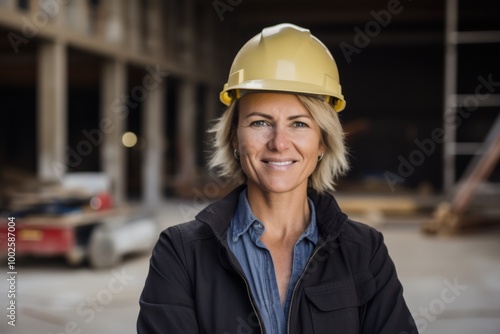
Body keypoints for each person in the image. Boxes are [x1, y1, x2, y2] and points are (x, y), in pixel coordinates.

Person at [137, 23, 418, 334]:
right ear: (234, 137)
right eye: (260, 123)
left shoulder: (364, 251)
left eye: (298, 124)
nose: (279, 143)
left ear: (322, 140)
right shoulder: (181, 254)